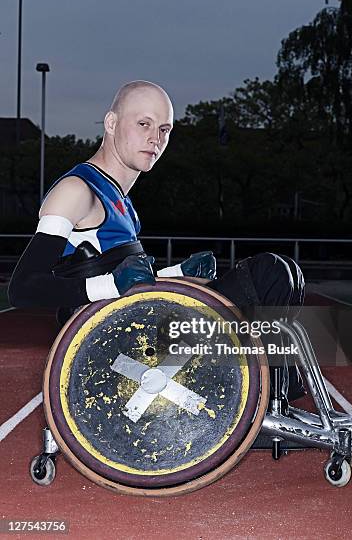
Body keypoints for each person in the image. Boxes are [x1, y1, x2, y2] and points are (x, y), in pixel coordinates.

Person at [8, 80, 305, 400]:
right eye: (144, 124)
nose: (156, 138)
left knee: (289, 273)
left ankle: (271, 397)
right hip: (116, 347)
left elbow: (130, 282)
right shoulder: (77, 190)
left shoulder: (122, 203)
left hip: (143, 328)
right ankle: (264, 402)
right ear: (111, 123)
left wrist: (178, 272)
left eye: (165, 129)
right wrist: (111, 286)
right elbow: (23, 287)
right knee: (271, 272)